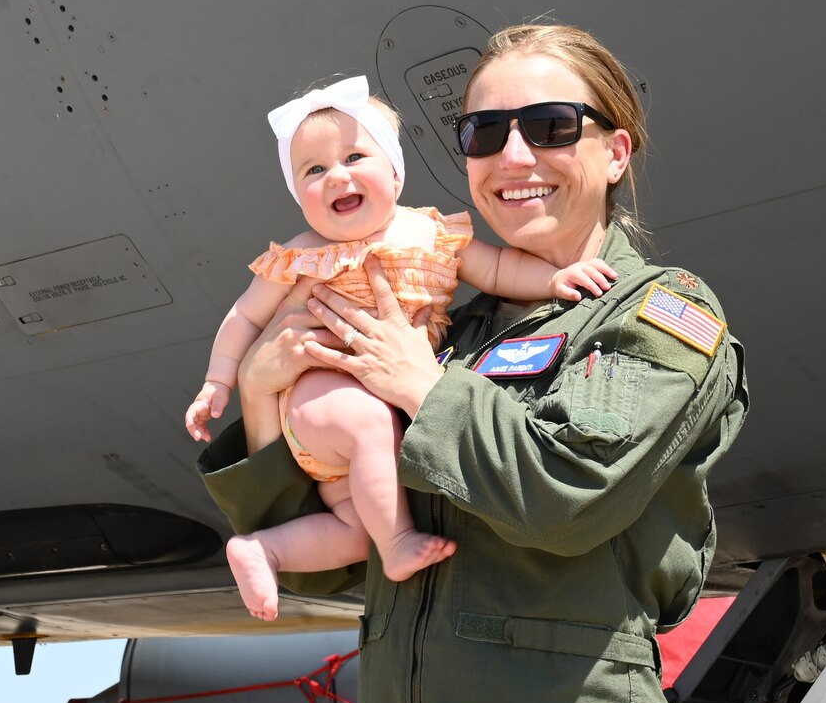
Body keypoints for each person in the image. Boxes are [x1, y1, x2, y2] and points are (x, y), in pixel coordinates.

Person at [198, 25, 748, 703]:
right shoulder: (447, 328)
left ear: (617, 152)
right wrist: (257, 387)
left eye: (552, 125)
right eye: (486, 133)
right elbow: (326, 565)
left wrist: (423, 387)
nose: (514, 156)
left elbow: (566, 497)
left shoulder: (661, 315)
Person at [184, 76, 616, 620]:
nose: (336, 175)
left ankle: (265, 550)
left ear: (394, 172)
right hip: (326, 396)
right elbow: (245, 315)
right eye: (313, 172)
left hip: (374, 432)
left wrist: (555, 279)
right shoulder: (300, 255)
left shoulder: (430, 234)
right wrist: (221, 381)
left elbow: (501, 268)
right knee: (370, 429)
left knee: (356, 527)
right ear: (298, 197)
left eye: (354, 156)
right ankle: (399, 545)